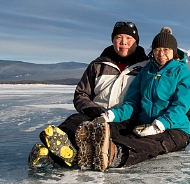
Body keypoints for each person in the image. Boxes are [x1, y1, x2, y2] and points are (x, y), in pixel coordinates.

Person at [28, 21, 149, 168]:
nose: (124, 42)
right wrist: (91, 108)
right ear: (113, 40)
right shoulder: (97, 65)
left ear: (136, 42)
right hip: (97, 114)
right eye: (119, 37)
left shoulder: (147, 67)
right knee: (75, 121)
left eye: (129, 38)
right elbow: (81, 93)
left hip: (127, 118)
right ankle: (57, 144)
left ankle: (52, 156)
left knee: (100, 134)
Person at [77, 26, 190, 171]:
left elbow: (180, 106)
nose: (161, 54)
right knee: (125, 139)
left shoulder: (183, 73)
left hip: (175, 129)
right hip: (144, 126)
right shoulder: (145, 72)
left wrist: (159, 125)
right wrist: (111, 115)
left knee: (150, 144)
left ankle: (113, 155)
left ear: (173, 52)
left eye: (166, 50)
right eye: (157, 50)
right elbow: (132, 103)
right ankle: (92, 153)